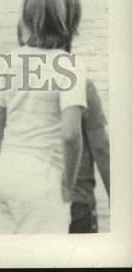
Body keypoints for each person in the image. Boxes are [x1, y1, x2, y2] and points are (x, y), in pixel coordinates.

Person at [0, 0, 87, 234]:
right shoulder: (67, 64)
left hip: (5, 174)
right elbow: (71, 133)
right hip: (43, 179)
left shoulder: (10, 59)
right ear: (69, 22)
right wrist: (69, 184)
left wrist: (7, 156)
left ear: (27, 20)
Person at [69, 79, 110, 233]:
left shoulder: (18, 84)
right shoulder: (80, 85)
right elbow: (101, 149)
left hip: (28, 201)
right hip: (76, 199)